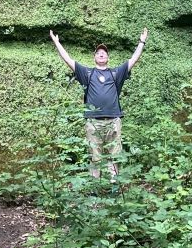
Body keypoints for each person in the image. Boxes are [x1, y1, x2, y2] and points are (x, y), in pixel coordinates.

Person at [49, 28, 148, 178]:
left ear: (108, 57)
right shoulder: (87, 73)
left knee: (115, 155)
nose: (101, 54)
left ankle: (115, 187)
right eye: (98, 53)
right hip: (93, 122)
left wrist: (142, 41)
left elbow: (133, 60)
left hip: (114, 121)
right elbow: (68, 60)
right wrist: (57, 43)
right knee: (95, 157)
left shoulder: (116, 73)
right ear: (94, 57)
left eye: (104, 53)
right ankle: (95, 189)